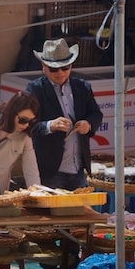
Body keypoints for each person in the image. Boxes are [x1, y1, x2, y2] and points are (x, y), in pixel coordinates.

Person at [28, 38, 103, 190]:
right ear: (44, 67)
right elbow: (28, 126)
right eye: (54, 69)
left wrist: (87, 125)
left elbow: (96, 114)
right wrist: (50, 125)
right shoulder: (35, 90)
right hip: (51, 171)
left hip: (78, 168)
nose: (60, 73)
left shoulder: (82, 87)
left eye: (65, 68)